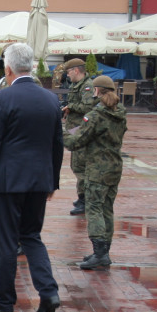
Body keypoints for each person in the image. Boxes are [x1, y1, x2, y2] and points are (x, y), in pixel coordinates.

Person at [0, 43, 63, 312]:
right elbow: (57, 145)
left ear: (8, 69)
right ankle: (48, 292)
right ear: (32, 66)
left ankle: (3, 302)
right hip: (39, 180)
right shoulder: (51, 99)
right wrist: (52, 182)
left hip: (8, 181)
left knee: (5, 242)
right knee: (31, 237)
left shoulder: (2, 99)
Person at [65, 76, 128, 270]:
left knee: (94, 209)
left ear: (97, 91)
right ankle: (104, 252)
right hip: (114, 167)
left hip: (97, 169)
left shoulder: (96, 115)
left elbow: (76, 142)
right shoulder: (120, 112)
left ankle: (99, 252)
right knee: (107, 208)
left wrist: (60, 132)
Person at [60, 59, 96, 216]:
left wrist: (71, 107)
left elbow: (88, 107)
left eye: (68, 72)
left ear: (76, 70)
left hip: (81, 130)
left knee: (81, 167)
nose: (68, 75)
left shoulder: (87, 86)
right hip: (75, 129)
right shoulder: (78, 85)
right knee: (76, 165)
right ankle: (82, 197)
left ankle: (85, 200)